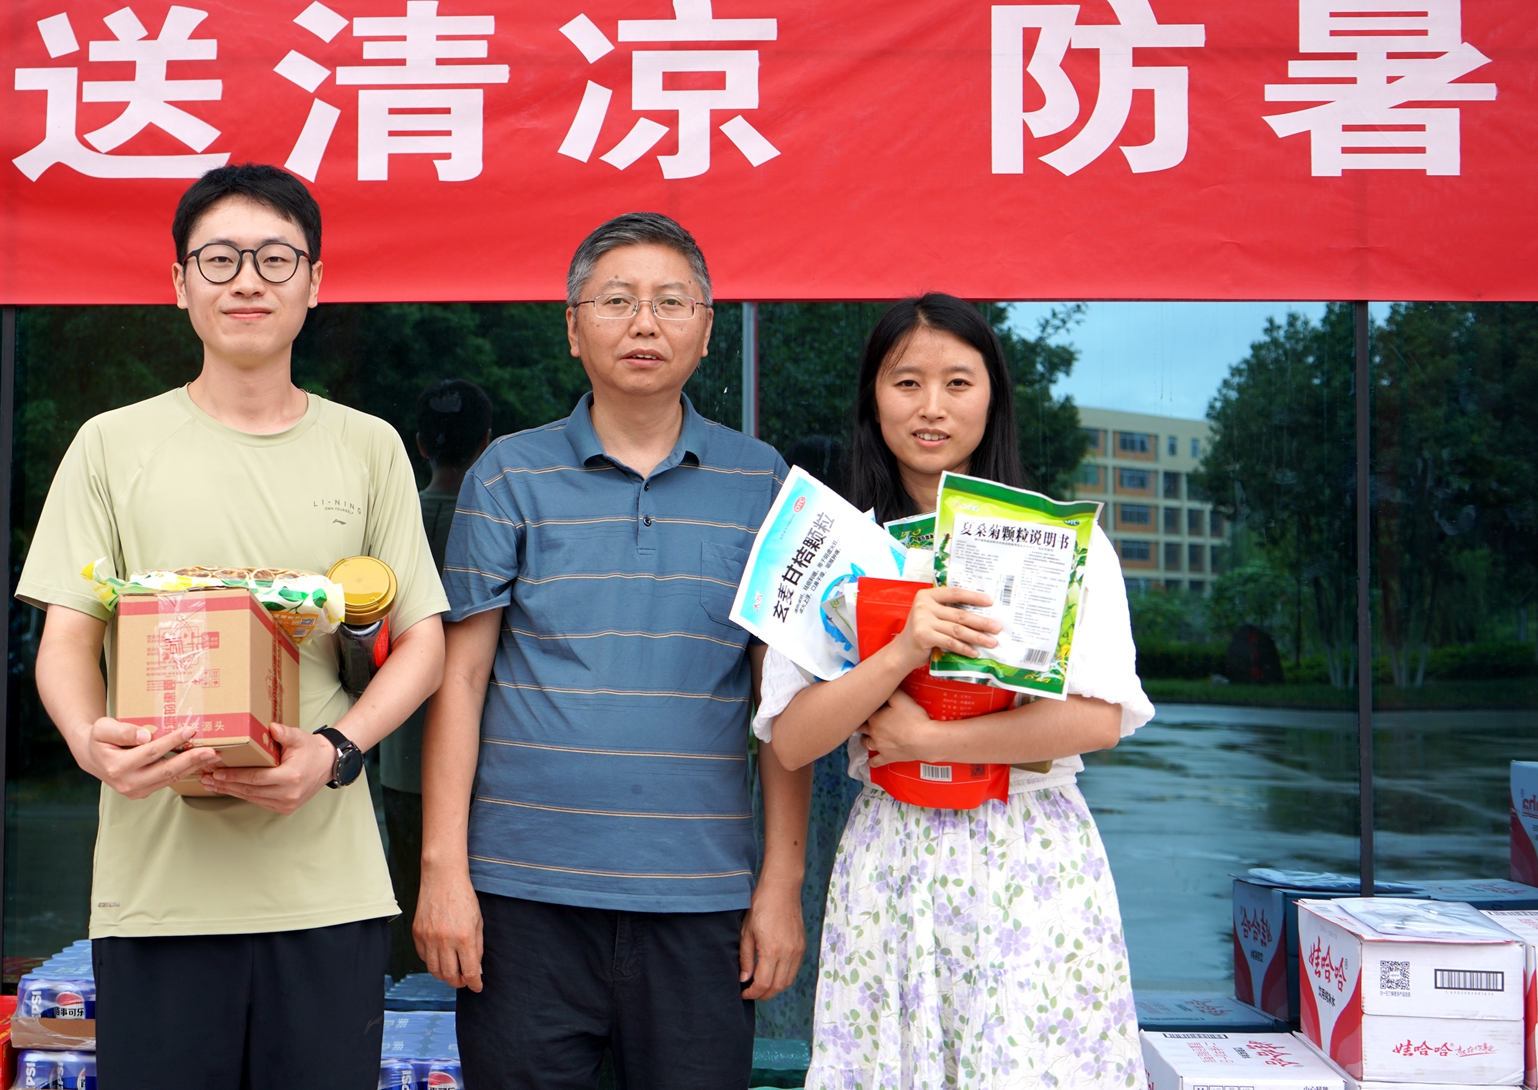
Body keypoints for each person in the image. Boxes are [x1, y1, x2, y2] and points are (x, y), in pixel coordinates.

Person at [16, 164, 449, 1090]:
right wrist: (93, 745)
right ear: (179, 284)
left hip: (325, 888)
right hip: (157, 891)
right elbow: (66, 639)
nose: (247, 280)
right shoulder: (111, 445)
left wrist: (335, 750)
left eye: (274, 259)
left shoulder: (367, 446)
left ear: (314, 282)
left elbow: (423, 641)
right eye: (219, 259)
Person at [418, 213, 814, 1090]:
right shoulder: (508, 475)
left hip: (700, 900)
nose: (644, 323)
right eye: (617, 300)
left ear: (706, 331)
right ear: (573, 327)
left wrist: (781, 884)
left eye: (672, 302)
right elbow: (462, 679)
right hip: (523, 897)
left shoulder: (761, 482)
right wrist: (444, 870)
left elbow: (781, 703)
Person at [758, 293, 1152, 1089]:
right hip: (891, 853)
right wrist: (901, 649)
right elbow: (792, 741)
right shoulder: (837, 550)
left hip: (1031, 852)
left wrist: (933, 740)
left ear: (993, 398)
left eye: (958, 383)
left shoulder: (1065, 543)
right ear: (874, 397)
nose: (931, 407)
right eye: (907, 382)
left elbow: (1101, 720)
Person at [381, 378, 493, 977]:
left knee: (406, 908)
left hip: (400, 755)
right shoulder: (494, 525)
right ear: (486, 442)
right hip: (481, 758)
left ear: (421, 444)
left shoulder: (392, 529)